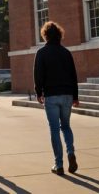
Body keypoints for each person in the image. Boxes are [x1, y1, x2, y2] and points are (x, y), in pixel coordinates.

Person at [33, 21, 79, 175]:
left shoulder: (42, 53)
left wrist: (38, 92)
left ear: (45, 35)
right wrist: (75, 96)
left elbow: (38, 75)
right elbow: (73, 75)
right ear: (59, 34)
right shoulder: (66, 53)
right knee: (66, 126)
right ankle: (71, 152)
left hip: (51, 95)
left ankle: (58, 164)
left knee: (54, 129)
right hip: (67, 94)